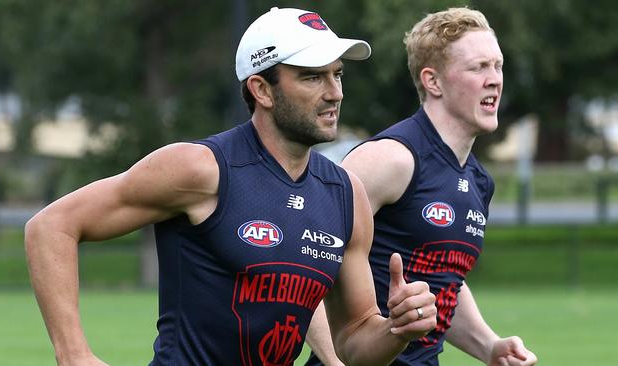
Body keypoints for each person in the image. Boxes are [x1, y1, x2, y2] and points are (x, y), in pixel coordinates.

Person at [24, 7, 437, 366]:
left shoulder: (347, 195)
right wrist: (73, 353)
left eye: (338, 74)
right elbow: (51, 227)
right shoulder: (200, 169)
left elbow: (353, 341)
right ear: (262, 90)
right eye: (313, 78)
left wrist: (396, 330)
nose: (335, 93)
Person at [306, 7, 538, 366]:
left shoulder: (478, 181)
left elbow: (444, 281)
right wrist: (332, 360)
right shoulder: (391, 159)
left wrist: (489, 346)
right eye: (478, 67)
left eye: (498, 66)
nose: (495, 79)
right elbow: (300, 259)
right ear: (433, 82)